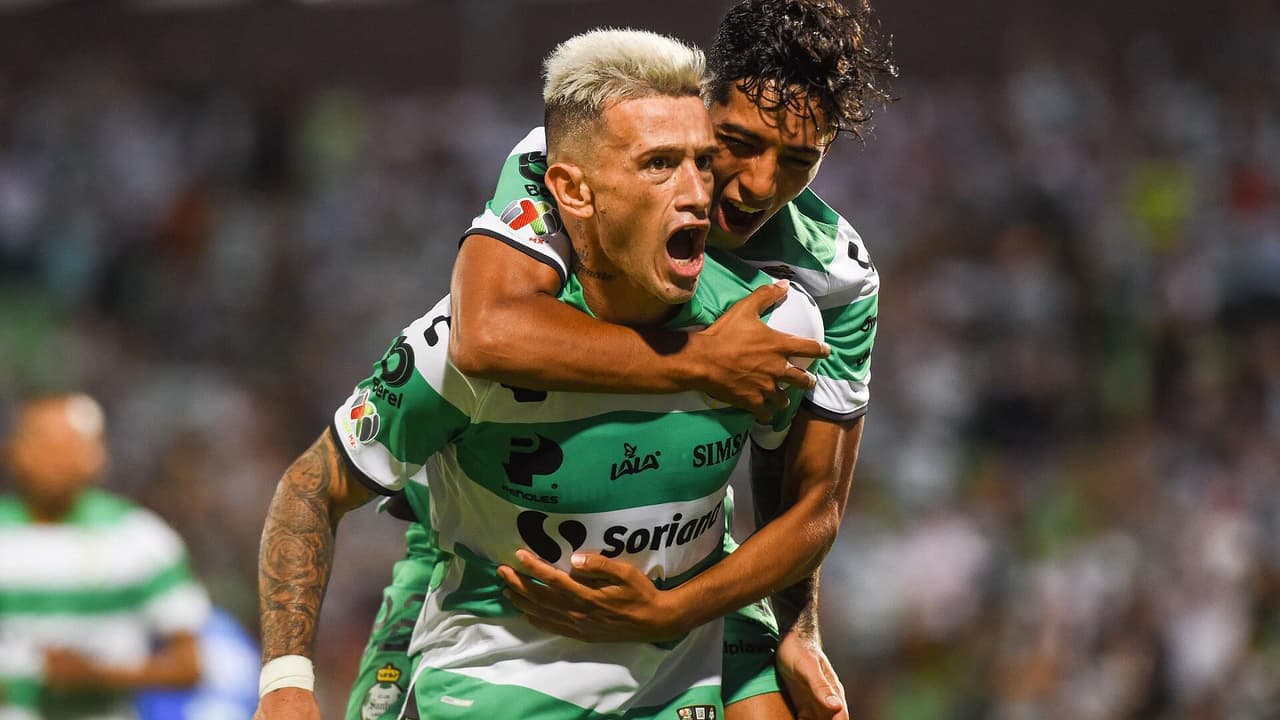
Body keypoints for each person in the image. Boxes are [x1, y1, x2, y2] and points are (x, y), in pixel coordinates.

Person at [256, 28, 829, 720]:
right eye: (658, 164)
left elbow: (812, 512)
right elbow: (311, 488)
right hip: (501, 673)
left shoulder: (773, 326)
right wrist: (286, 685)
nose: (696, 194)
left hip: (686, 660)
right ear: (573, 192)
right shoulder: (463, 350)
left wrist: (753, 622)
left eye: (703, 163)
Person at [0, 394, 212, 720]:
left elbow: (190, 666)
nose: (55, 459)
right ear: (13, 451)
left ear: (97, 455)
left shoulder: (137, 537)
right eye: (43, 443)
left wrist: (97, 674)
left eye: (70, 445)